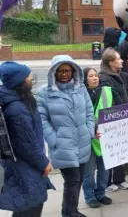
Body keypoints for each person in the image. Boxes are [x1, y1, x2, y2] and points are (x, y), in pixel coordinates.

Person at [37, 55, 95, 217]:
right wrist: (54, 139)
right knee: (72, 180)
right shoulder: (44, 92)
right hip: (63, 145)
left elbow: (89, 112)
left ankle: (72, 210)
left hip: (82, 141)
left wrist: (89, 130)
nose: (64, 74)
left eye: (67, 71)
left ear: (73, 71)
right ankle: (69, 213)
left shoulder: (81, 88)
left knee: (78, 179)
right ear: (54, 72)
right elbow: (41, 119)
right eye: (61, 71)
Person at [0, 62, 55, 217]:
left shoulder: (19, 100)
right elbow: (26, 145)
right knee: (30, 207)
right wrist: (44, 163)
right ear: (19, 81)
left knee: (27, 205)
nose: (31, 78)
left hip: (27, 165)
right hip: (26, 167)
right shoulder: (16, 109)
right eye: (28, 76)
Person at [98, 48, 128, 192]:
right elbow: (109, 100)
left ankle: (120, 179)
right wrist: (123, 112)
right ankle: (107, 182)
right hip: (112, 118)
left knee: (120, 150)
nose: (121, 61)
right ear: (111, 62)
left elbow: (125, 95)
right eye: (118, 59)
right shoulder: (105, 78)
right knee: (111, 151)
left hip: (122, 116)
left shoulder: (117, 74)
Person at [81, 67, 113, 209]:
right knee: (89, 171)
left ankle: (101, 193)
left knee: (104, 169)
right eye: (91, 76)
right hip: (88, 139)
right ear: (84, 79)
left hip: (104, 137)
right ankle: (90, 196)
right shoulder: (80, 95)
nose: (95, 78)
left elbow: (118, 109)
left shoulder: (107, 90)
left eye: (96, 75)